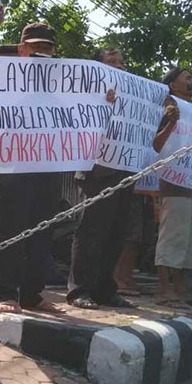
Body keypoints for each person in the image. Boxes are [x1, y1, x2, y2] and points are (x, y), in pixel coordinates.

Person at [0, 23, 69, 314]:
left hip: (49, 164)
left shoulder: (65, 80)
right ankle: (6, 293)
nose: (42, 53)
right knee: (13, 230)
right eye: (36, 47)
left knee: (43, 231)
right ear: (22, 48)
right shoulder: (2, 75)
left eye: (47, 48)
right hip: (15, 164)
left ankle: (32, 294)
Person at [67, 48, 135, 310]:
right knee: (92, 231)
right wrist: (101, 104)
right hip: (96, 171)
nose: (119, 66)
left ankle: (106, 289)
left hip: (123, 171)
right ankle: (79, 290)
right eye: (112, 62)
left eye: (122, 62)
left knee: (116, 233)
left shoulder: (131, 98)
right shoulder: (87, 92)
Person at [152, 67, 192, 308]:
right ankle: (164, 290)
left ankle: (180, 289)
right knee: (172, 238)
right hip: (174, 182)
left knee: (190, 241)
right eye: (187, 78)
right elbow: (156, 144)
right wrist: (171, 121)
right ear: (173, 85)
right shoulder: (166, 108)